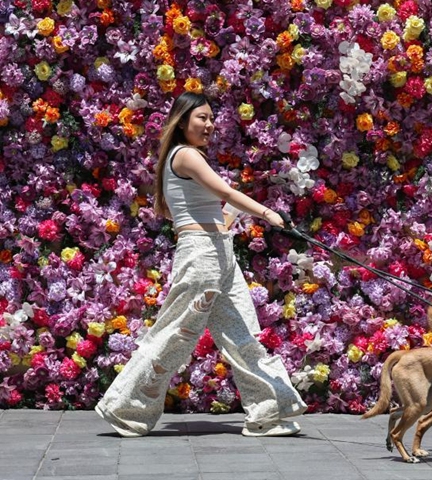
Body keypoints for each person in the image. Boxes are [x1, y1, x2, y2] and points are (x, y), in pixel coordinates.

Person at [95, 92, 307, 437]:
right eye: (201, 118)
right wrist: (268, 213)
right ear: (182, 121)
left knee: (242, 337)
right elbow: (225, 193)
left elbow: (219, 213)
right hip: (201, 255)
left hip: (219, 252)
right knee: (174, 333)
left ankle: (265, 414)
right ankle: (124, 409)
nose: (209, 124)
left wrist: (236, 215)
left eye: (211, 118)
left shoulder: (191, 158)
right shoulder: (186, 155)